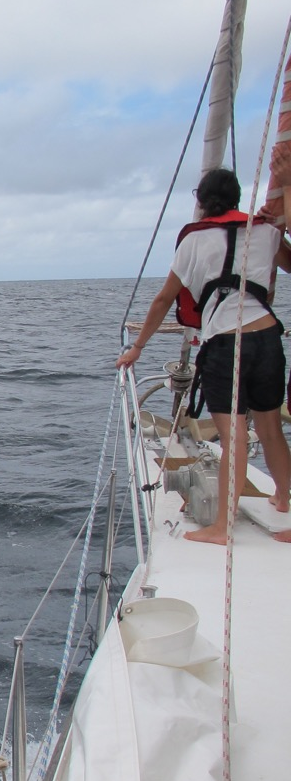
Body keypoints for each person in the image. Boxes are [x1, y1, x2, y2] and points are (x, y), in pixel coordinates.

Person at [116, 163, 291, 544]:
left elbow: (165, 299)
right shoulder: (267, 233)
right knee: (270, 427)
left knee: (234, 437)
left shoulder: (193, 241)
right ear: (237, 198)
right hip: (267, 338)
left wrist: (137, 347)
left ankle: (221, 529)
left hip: (226, 344)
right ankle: (282, 497)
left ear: (201, 201)